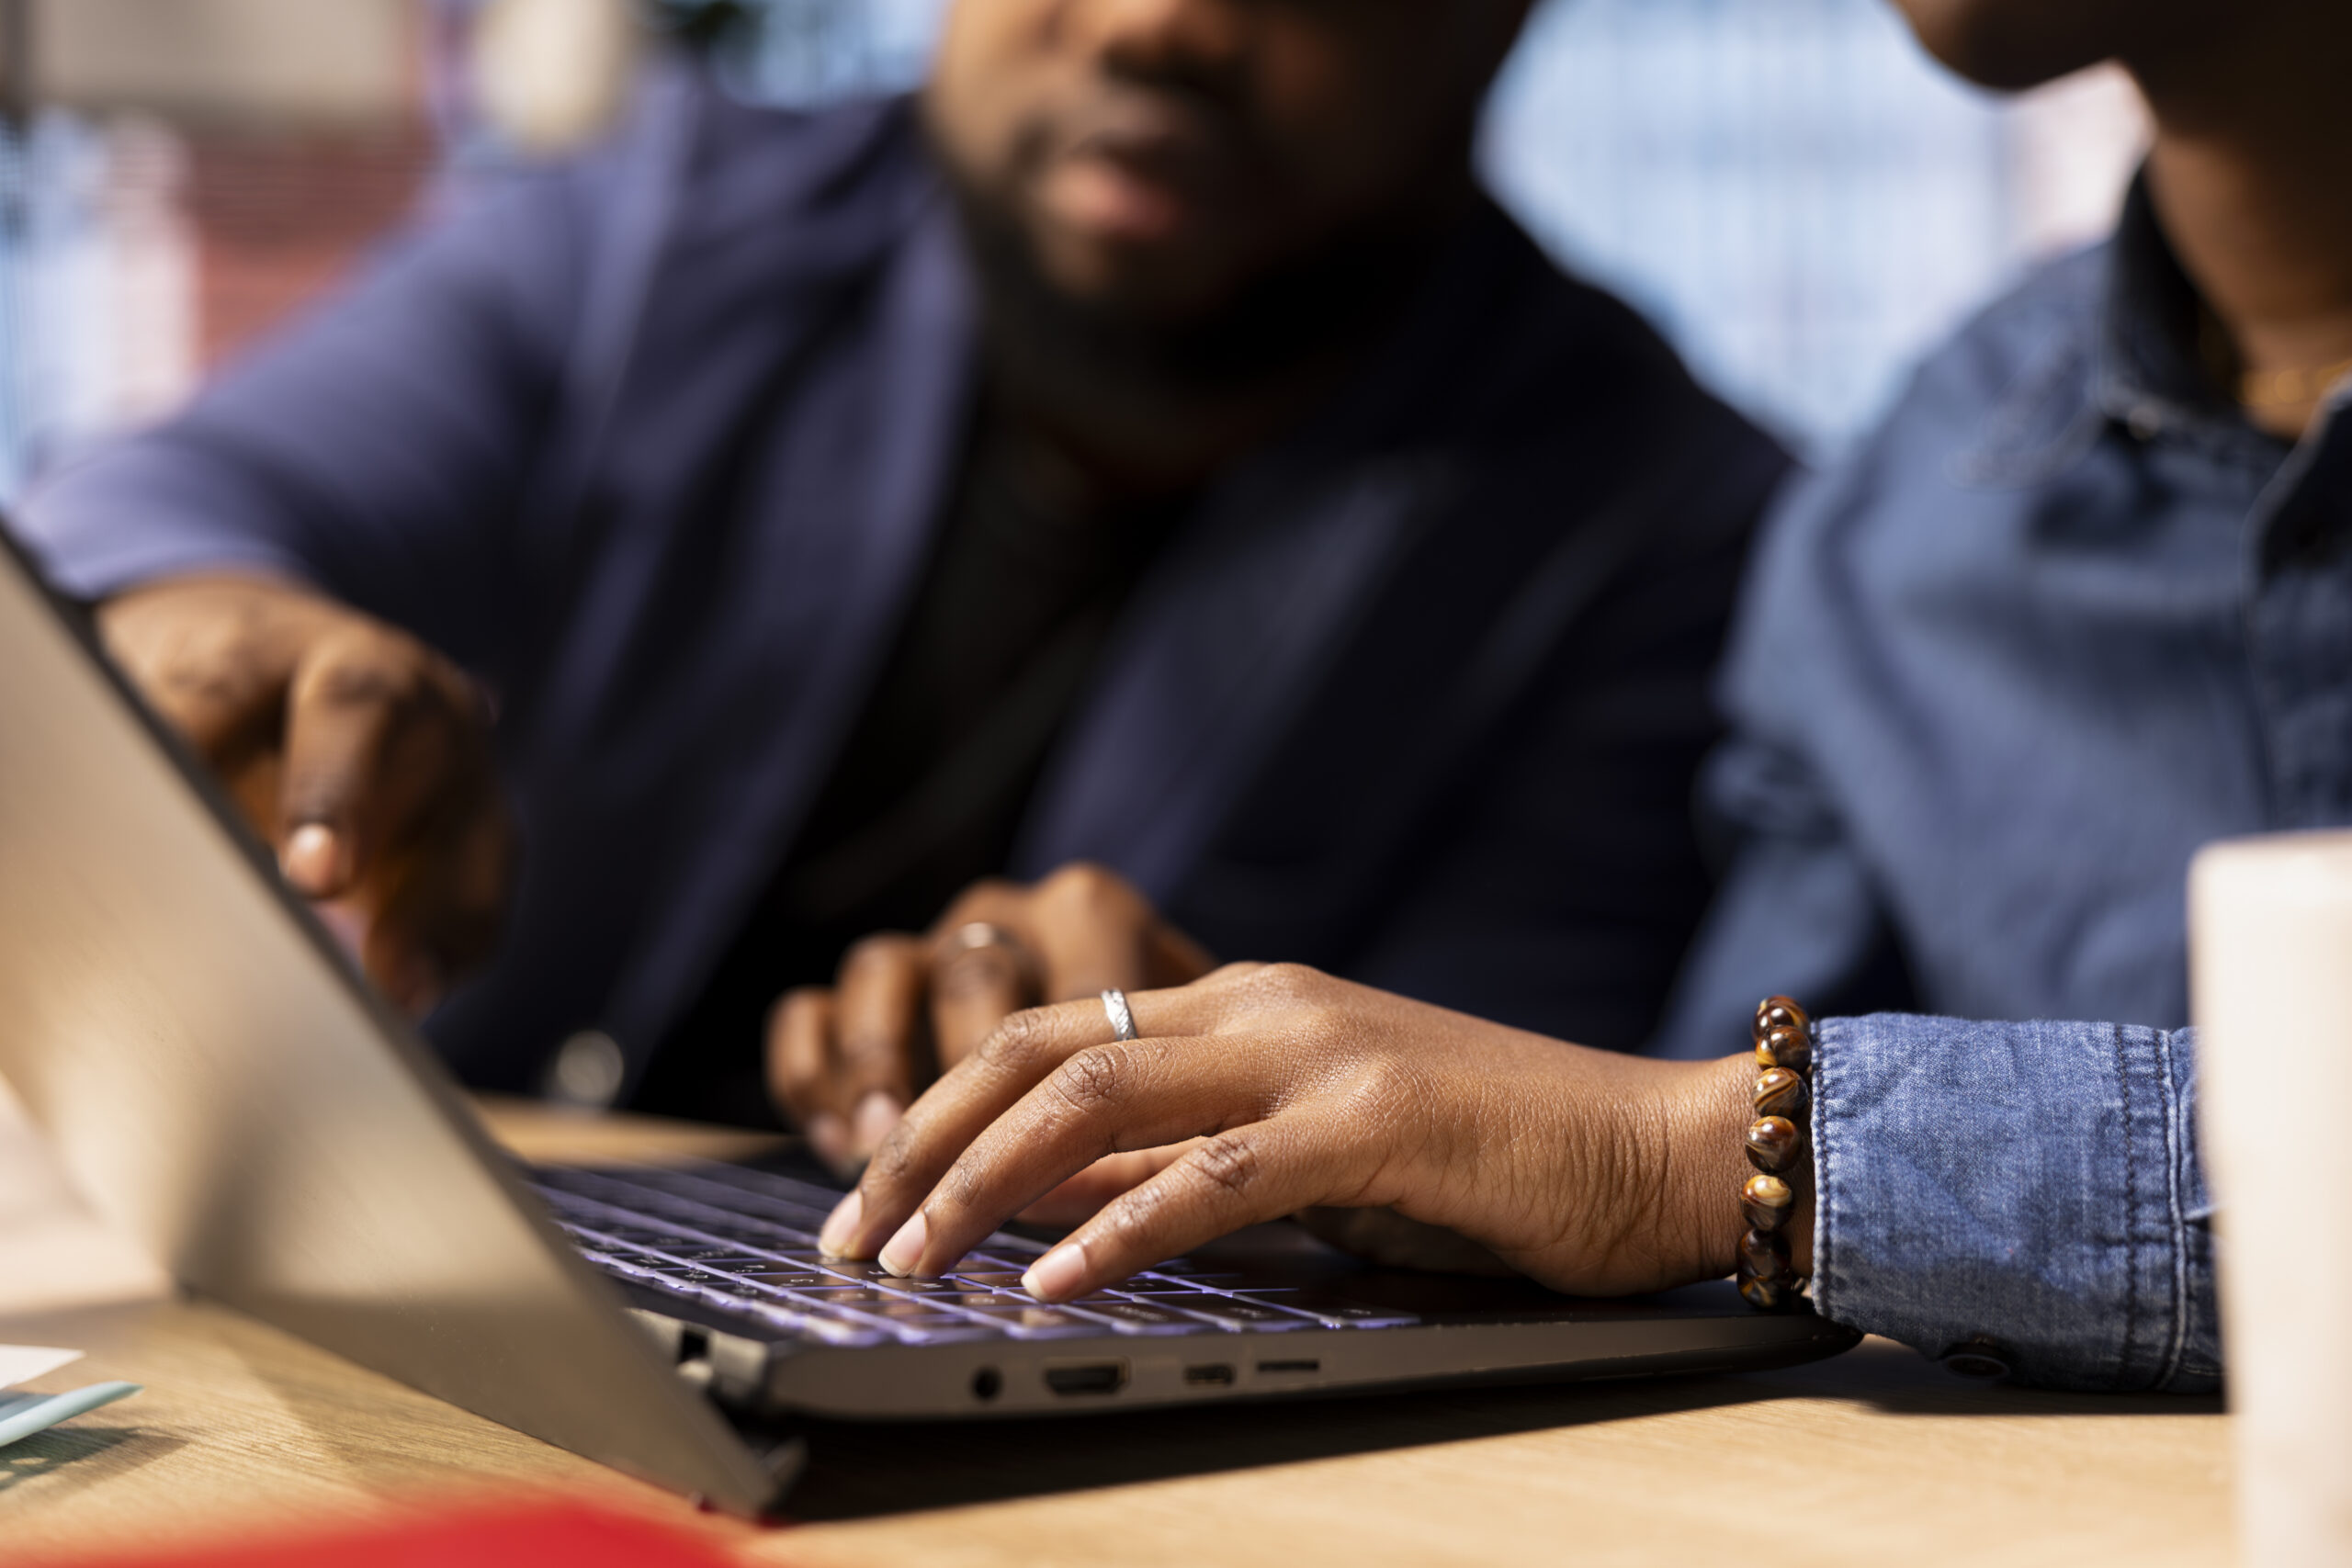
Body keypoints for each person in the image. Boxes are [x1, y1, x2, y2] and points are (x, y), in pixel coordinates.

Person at [811, 0, 2352, 1393]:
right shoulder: (1899, 514)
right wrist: (1300, 1124)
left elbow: (1704, 1151)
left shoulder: (1711, 492)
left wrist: (1719, 1158)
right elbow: (1703, 1189)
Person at [18, 1, 1785, 1162]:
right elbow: (169, 509)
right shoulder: (657, 239)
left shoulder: (1662, 533)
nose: (1160, 24)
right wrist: (188, 620)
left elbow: (1504, 1143)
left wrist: (1206, 1077)